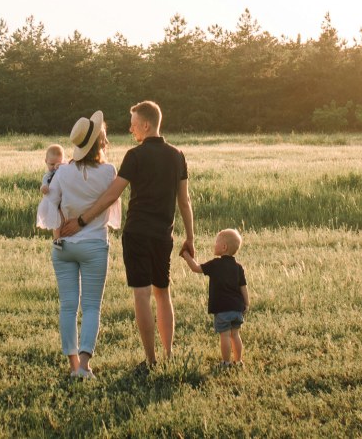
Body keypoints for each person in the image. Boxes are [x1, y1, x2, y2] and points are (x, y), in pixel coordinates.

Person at [69, 100, 194, 369]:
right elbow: (184, 201)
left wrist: (82, 220)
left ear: (146, 125)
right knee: (163, 293)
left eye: (134, 124)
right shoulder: (177, 155)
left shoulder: (134, 156)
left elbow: (112, 195)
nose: (131, 129)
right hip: (164, 235)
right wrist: (190, 237)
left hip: (137, 233)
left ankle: (150, 360)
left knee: (142, 295)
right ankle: (169, 355)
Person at [36, 112, 121, 379]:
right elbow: (111, 203)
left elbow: (52, 205)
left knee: (68, 306)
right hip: (95, 245)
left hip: (64, 246)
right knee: (92, 305)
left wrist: (58, 234)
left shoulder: (62, 172)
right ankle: (84, 366)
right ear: (99, 143)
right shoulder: (108, 172)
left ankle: (73, 366)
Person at [182, 228, 248, 368]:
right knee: (235, 335)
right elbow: (243, 287)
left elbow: (196, 268)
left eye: (216, 242)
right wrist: (246, 304)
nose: (214, 244)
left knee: (224, 335)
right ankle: (238, 361)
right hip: (237, 309)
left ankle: (226, 362)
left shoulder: (215, 264)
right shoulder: (238, 267)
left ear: (224, 247)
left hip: (223, 309)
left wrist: (186, 255)